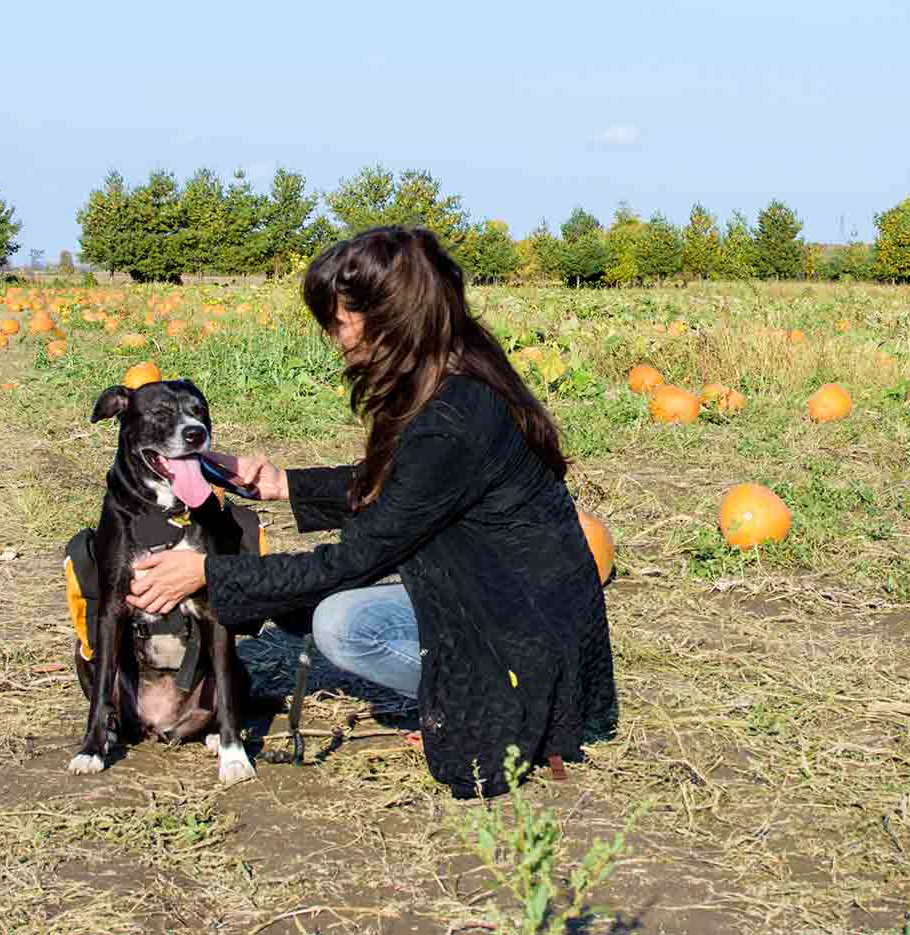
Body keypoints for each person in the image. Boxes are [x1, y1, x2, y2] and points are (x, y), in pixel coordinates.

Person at [129, 226, 614, 798]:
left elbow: (356, 559)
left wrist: (210, 574)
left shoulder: (451, 419)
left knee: (342, 625)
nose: (334, 336)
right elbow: (412, 487)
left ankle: (500, 702)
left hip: (524, 627)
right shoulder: (455, 371)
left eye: (338, 319)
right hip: (500, 590)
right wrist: (285, 484)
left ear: (389, 314)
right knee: (330, 611)